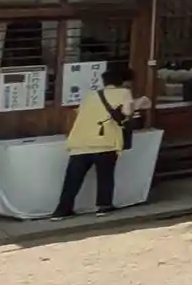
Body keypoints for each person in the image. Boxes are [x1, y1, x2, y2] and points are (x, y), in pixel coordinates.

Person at [54, 61, 138, 218]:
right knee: (105, 176)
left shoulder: (91, 95)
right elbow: (127, 112)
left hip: (80, 141)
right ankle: (104, 206)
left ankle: (62, 210)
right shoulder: (124, 93)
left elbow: (78, 113)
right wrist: (138, 104)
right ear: (123, 81)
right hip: (105, 141)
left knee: (73, 179)